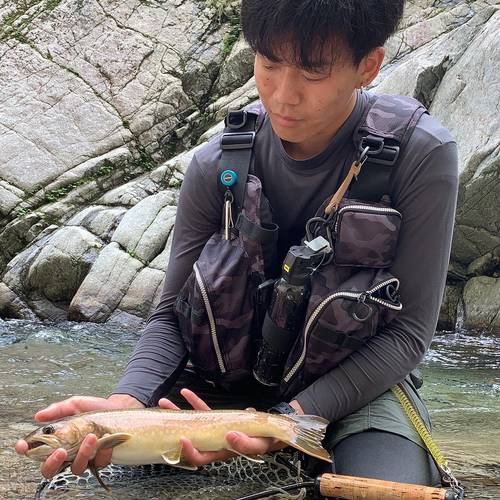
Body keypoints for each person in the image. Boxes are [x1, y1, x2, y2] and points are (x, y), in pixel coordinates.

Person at [16, 0, 459, 491]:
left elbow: (408, 336)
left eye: (311, 72)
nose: (283, 95)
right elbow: (170, 316)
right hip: (216, 385)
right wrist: (129, 401)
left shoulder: (422, 157)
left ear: (368, 67)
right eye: (268, 63)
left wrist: (290, 420)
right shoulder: (215, 165)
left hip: (356, 387)